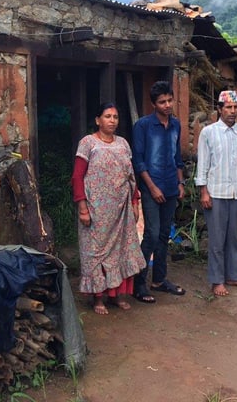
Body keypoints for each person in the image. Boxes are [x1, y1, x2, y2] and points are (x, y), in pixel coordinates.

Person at [71, 102, 146, 315]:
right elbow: (77, 177)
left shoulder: (123, 144)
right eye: (107, 116)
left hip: (121, 210)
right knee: (96, 255)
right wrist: (83, 208)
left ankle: (117, 295)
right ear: (98, 120)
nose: (112, 120)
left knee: (122, 251)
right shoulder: (88, 143)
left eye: (115, 116)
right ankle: (98, 299)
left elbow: (131, 176)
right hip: (96, 212)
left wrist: (134, 202)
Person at [195, 90, 237, 297]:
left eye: (236, 107)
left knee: (233, 237)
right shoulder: (209, 133)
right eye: (228, 107)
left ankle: (234, 276)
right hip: (216, 193)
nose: (232, 111)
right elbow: (203, 163)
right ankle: (216, 280)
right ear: (219, 109)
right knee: (216, 239)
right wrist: (204, 191)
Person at [132, 81, 186, 303]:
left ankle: (159, 280)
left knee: (165, 234)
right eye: (162, 102)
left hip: (171, 186)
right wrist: (152, 187)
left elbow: (177, 157)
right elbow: (138, 160)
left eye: (170, 100)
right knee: (151, 234)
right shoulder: (143, 126)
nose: (167, 105)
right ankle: (139, 284)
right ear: (153, 104)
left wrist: (181, 183)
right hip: (151, 188)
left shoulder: (175, 125)